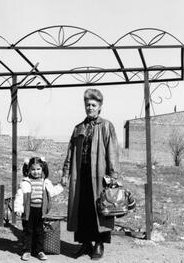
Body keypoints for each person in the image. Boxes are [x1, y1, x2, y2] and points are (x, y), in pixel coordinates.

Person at [60, 88, 121, 260]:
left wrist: (113, 176)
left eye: (94, 105)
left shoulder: (107, 126)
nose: (90, 108)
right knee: (82, 209)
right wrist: (65, 172)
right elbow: (70, 153)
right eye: (87, 105)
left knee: (101, 209)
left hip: (101, 176)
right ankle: (85, 244)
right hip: (80, 176)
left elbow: (113, 153)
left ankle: (99, 245)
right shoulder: (78, 127)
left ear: (100, 107)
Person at [14, 157, 63, 261]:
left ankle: (39, 251)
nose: (36, 172)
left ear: (43, 169)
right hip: (28, 211)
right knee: (28, 231)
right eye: (33, 169)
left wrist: (61, 186)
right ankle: (27, 250)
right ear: (28, 170)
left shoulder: (45, 182)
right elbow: (19, 196)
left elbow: (52, 192)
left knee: (39, 231)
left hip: (40, 211)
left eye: (38, 169)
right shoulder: (25, 182)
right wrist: (18, 208)